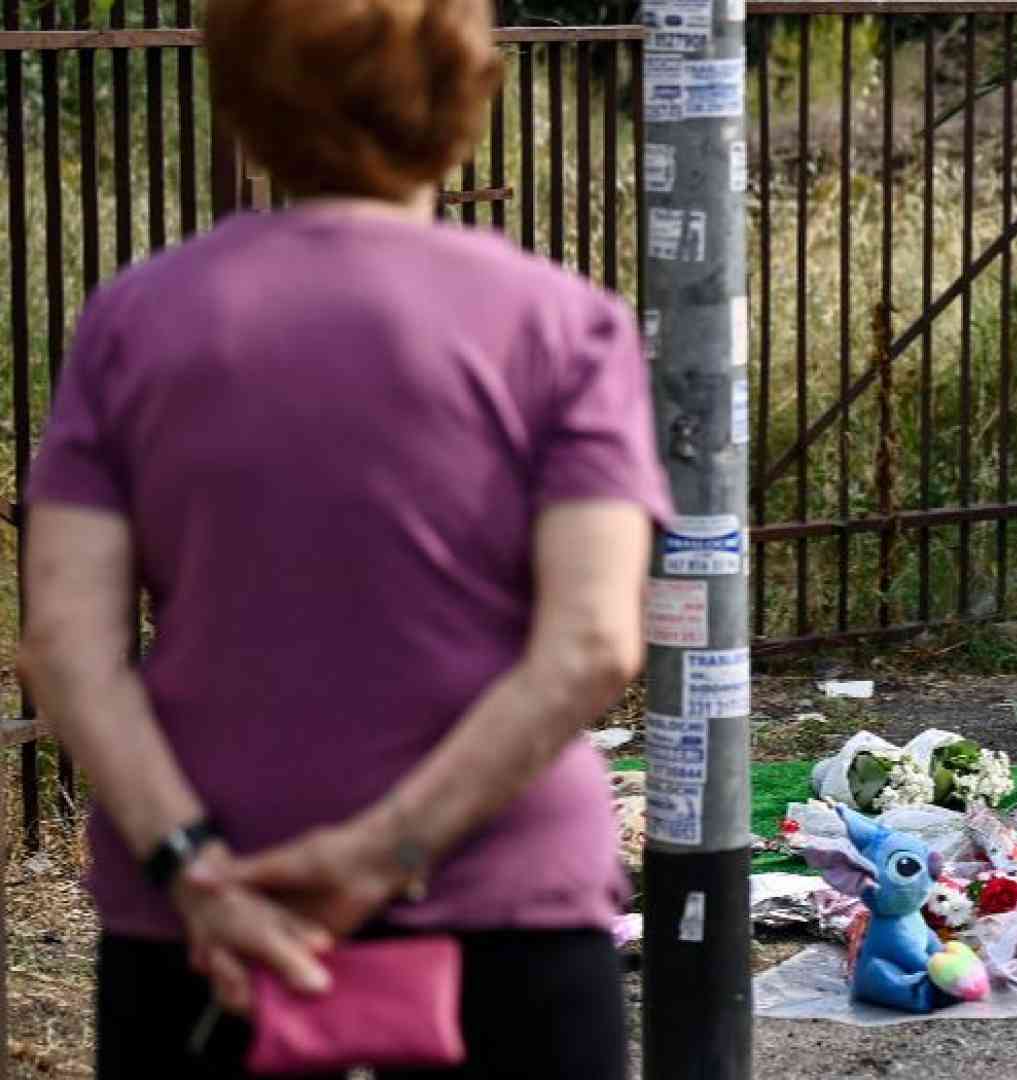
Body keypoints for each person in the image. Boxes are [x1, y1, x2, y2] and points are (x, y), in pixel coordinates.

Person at [16, 0, 670, 1075]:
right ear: (469, 90)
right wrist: (382, 852)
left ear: (240, 100)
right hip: (501, 905)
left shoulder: (132, 323)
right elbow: (592, 643)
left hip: (204, 921)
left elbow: (66, 648)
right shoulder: (562, 325)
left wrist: (192, 867)